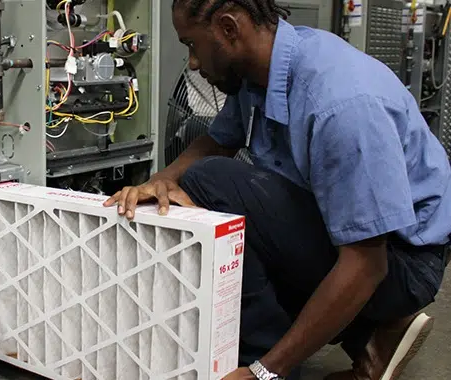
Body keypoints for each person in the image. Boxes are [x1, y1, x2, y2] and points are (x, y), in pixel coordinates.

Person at [104, 0, 451, 379]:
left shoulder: (342, 105)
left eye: (191, 45)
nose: (192, 63)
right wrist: (158, 182)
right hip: (355, 241)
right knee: (204, 182)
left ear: (229, 28)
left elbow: (367, 264)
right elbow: (216, 141)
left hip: (400, 262)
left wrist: (264, 372)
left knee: (215, 182)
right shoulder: (260, 72)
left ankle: (271, 361)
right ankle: (367, 335)